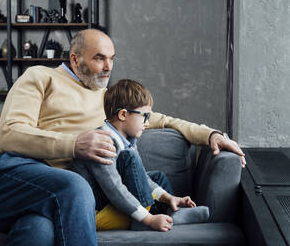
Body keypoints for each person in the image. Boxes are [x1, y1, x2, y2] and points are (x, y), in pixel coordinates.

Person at [0, 29, 246, 246]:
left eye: (112, 59)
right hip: (6, 176)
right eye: (99, 58)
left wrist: (210, 133)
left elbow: (161, 119)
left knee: (39, 231)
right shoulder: (41, 77)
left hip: (50, 197)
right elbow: (9, 133)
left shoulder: (109, 100)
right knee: (75, 186)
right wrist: (75, 145)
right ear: (75, 58)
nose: (108, 67)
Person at [72, 79, 211, 232]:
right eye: (145, 116)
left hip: (112, 201)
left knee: (157, 177)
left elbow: (142, 177)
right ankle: (147, 217)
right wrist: (148, 219)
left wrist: (168, 197)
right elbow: (115, 189)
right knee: (129, 158)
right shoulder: (101, 143)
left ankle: (173, 211)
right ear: (123, 114)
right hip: (97, 211)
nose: (147, 123)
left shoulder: (128, 139)